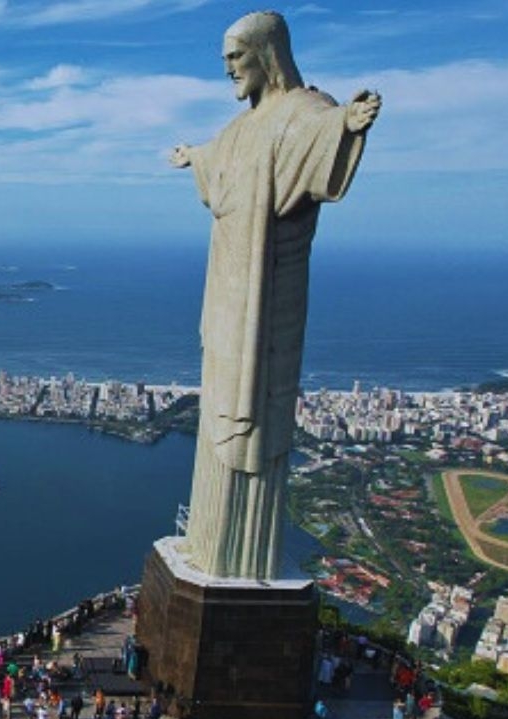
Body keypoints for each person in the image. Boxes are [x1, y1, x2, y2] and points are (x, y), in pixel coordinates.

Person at [170, 10, 381, 579]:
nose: (229, 72)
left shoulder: (306, 112)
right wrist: (195, 157)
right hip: (227, 288)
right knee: (220, 399)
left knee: (258, 403)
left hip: (266, 290)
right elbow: (220, 162)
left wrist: (348, 125)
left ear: (266, 54)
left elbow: (320, 140)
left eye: (235, 59)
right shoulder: (240, 128)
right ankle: (209, 546)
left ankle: (243, 558)